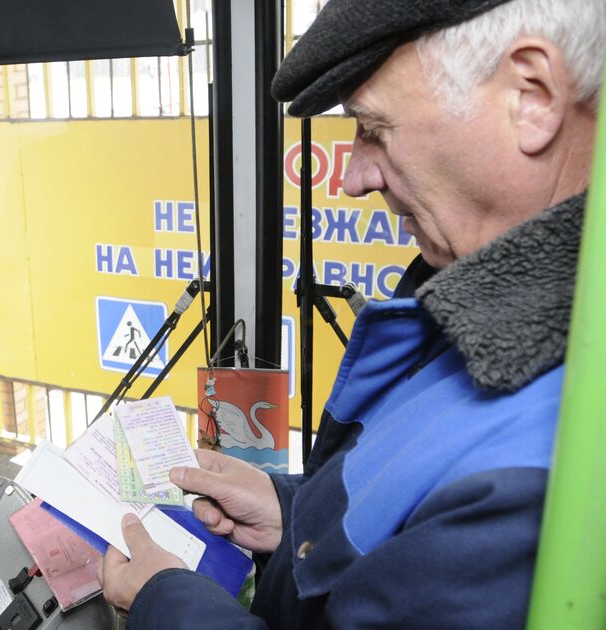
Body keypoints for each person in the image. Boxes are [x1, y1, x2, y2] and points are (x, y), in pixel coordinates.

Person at [99, 0, 603, 627]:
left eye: (372, 128)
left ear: (533, 98)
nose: (353, 178)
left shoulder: (543, 478)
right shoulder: (481, 303)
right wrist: (294, 516)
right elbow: (399, 514)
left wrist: (163, 598)